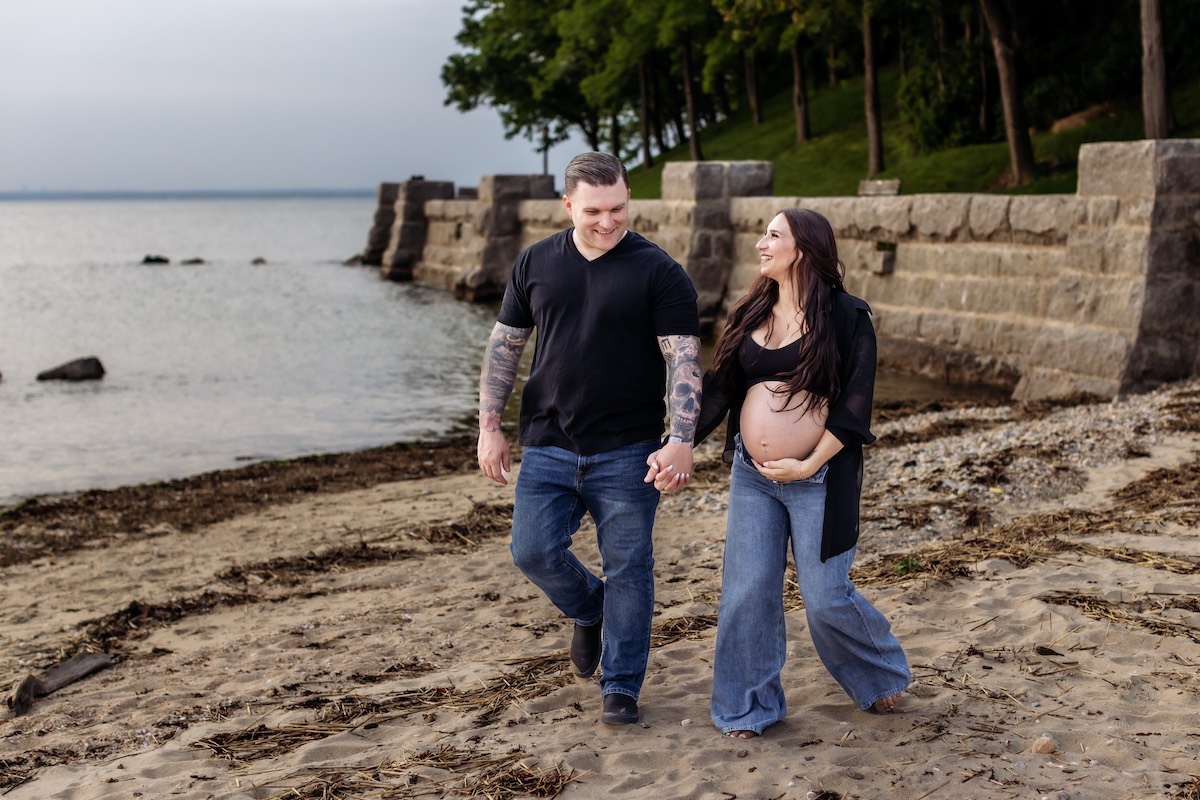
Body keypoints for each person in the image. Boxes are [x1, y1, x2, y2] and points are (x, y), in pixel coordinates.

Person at [648, 207, 909, 739]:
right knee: (748, 591)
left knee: (826, 596)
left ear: (804, 249)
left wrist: (808, 462)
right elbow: (721, 388)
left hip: (820, 475)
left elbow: (855, 406)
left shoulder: (847, 316)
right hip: (752, 476)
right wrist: (680, 442)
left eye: (772, 235)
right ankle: (748, 708)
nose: (760, 245)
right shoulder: (751, 311)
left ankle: (880, 674)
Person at [477, 152, 702, 726]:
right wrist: (489, 427)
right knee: (532, 551)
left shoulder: (658, 270)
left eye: (618, 208)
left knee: (630, 567)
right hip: (548, 442)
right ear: (568, 205)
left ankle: (621, 686)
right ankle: (590, 608)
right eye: (594, 211)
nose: (608, 221)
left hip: (628, 449)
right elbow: (505, 346)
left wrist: (681, 438)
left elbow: (683, 358)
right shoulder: (536, 261)